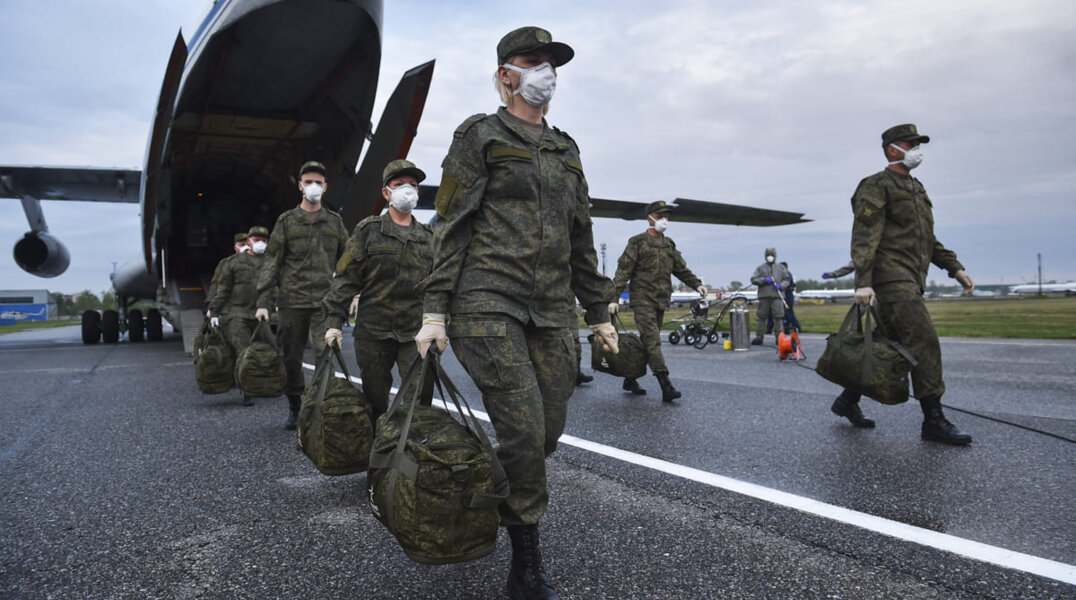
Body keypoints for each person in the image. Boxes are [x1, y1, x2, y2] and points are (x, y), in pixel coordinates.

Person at [414, 26, 617, 600]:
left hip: (552, 307)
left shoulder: (565, 148)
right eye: (533, 61)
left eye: (551, 63)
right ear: (506, 73)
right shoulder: (479, 135)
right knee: (525, 430)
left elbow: (582, 234)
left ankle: (485, 481)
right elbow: (450, 224)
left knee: (546, 430)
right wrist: (435, 312)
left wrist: (598, 312)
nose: (546, 72)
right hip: (488, 300)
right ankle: (525, 569)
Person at [839, 123, 975, 445]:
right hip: (891, 279)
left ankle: (847, 400)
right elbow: (864, 236)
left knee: (885, 346)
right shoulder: (876, 186)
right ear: (891, 150)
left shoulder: (916, 188)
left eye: (917, 144)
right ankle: (933, 420)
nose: (916, 149)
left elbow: (927, 239)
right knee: (924, 342)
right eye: (909, 144)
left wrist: (954, 268)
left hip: (912, 279)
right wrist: (864, 283)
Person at [321, 159, 435, 419]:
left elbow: (439, 286)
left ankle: (408, 454)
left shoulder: (429, 238)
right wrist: (333, 322)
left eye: (413, 185)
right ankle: (375, 450)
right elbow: (346, 279)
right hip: (373, 333)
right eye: (399, 184)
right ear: (386, 192)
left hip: (414, 333)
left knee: (419, 401)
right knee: (374, 400)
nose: (407, 189)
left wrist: (439, 322)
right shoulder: (368, 231)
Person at [255, 161, 349, 430]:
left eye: (319, 182)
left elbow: (349, 260)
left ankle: (319, 409)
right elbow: (272, 261)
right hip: (291, 301)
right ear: (299, 185)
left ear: (326, 187)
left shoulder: (334, 222)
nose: (314, 186)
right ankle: (295, 407)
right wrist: (263, 301)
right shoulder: (286, 222)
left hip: (324, 302)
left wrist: (353, 293)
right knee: (292, 358)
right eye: (308, 181)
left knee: (325, 354)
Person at [609, 201, 706, 401]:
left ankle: (630, 378)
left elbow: (681, 269)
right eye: (661, 216)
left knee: (646, 343)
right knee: (653, 342)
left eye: (667, 216)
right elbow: (623, 271)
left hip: (661, 301)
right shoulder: (637, 242)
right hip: (642, 300)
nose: (665, 220)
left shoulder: (669, 244)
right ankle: (666, 385)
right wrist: (613, 298)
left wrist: (697, 285)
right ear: (650, 218)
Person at [206, 226, 270, 406]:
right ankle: (247, 390)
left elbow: (276, 286)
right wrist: (214, 310)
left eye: (264, 240)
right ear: (249, 241)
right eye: (257, 239)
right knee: (243, 351)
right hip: (236, 314)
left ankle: (265, 383)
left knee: (263, 349)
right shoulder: (232, 263)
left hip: (260, 315)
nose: (260, 243)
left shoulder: (270, 263)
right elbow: (222, 289)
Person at [750, 248, 790, 345]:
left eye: (771, 254)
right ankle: (759, 337)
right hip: (764, 296)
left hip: (777, 296)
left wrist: (781, 286)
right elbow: (753, 279)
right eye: (768, 255)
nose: (770, 257)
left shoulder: (781, 267)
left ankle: (780, 338)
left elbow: (787, 280)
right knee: (761, 317)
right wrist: (764, 280)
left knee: (778, 318)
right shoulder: (760, 268)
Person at [767, 261, 800, 334]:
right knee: (775, 313)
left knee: (788, 313)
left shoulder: (787, 274)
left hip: (787, 295)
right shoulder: (779, 274)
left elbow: (791, 285)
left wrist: (781, 286)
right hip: (779, 295)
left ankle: (795, 327)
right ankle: (775, 328)